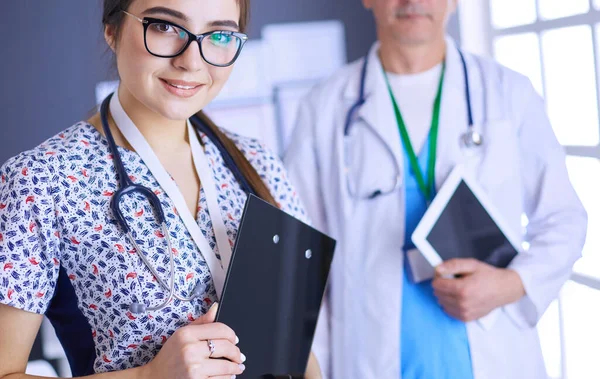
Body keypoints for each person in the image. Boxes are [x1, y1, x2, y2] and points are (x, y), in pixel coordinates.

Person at [0, 0, 321, 378]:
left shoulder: (258, 166)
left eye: (219, 35)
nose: (192, 61)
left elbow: (298, 353)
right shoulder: (41, 180)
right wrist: (147, 375)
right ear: (113, 30)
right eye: (166, 27)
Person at [285, 0, 587, 378]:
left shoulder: (508, 93)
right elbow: (301, 259)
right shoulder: (325, 107)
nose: (413, 1)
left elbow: (564, 219)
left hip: (494, 352)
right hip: (368, 356)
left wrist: (510, 284)